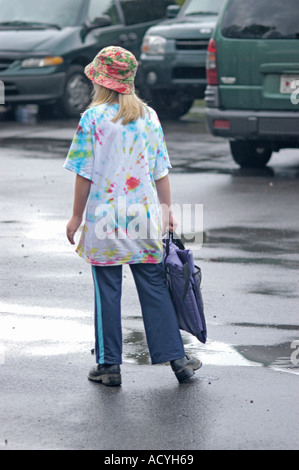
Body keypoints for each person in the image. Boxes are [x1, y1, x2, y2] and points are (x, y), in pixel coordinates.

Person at [64, 46, 201, 386]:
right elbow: (161, 171)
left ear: (99, 80)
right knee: (154, 286)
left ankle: (109, 366)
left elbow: (84, 173)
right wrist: (167, 212)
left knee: (106, 289)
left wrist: (75, 218)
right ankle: (178, 360)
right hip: (143, 216)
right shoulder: (149, 117)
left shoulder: (93, 119)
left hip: (104, 218)